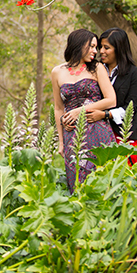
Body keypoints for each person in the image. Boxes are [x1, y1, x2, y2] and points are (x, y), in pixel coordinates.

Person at [51, 29, 116, 193]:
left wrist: (80, 111)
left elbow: (111, 100)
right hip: (72, 136)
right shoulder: (57, 72)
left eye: (96, 47)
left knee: (103, 181)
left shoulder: (98, 68)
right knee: (77, 183)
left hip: (98, 131)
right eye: (92, 46)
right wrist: (61, 142)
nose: (96, 51)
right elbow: (58, 108)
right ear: (79, 45)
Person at [86, 27, 137, 143]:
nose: (101, 51)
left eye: (106, 48)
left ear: (119, 49)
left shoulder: (134, 73)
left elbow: (131, 107)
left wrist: (105, 115)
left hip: (125, 135)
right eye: (100, 47)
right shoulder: (93, 70)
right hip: (95, 133)